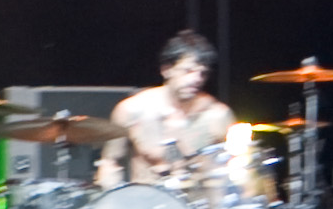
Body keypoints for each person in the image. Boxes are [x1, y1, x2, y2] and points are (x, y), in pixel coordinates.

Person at [100, 31, 237, 198]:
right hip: (145, 206)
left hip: (196, 208)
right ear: (166, 70)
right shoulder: (131, 111)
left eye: (202, 73)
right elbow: (110, 162)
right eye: (188, 71)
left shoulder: (218, 116)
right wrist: (111, 193)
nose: (197, 79)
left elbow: (236, 170)